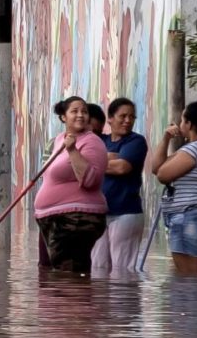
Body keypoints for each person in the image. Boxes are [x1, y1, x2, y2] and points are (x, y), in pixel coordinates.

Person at [33, 96, 109, 272]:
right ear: (63, 117)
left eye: (84, 111)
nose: (81, 115)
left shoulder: (92, 142)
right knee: (57, 275)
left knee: (69, 274)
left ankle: (74, 301)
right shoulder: (60, 139)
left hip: (76, 219)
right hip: (54, 217)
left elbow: (90, 181)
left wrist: (73, 150)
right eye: (74, 111)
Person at [150, 99, 197, 275]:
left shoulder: (194, 150)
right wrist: (166, 138)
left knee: (188, 279)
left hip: (190, 220)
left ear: (189, 124)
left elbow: (161, 175)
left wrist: (167, 139)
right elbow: (156, 167)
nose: (180, 124)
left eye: (183, 120)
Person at [91, 97, 148, 272]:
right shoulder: (101, 141)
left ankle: (124, 301)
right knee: (97, 267)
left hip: (126, 212)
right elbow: (80, 161)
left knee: (123, 269)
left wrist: (95, 164)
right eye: (122, 116)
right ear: (110, 118)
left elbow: (122, 167)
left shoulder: (136, 141)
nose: (127, 120)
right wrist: (111, 158)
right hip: (99, 213)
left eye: (132, 117)